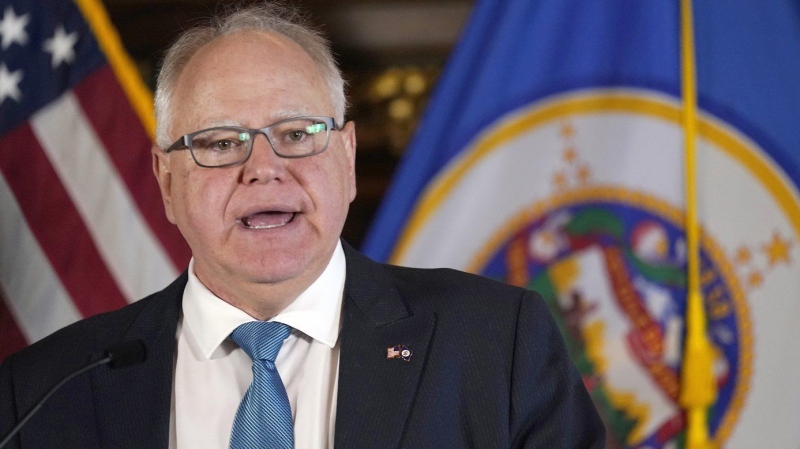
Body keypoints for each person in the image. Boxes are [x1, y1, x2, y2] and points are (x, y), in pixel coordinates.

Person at [0, 3, 605, 448]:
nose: (263, 170)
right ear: (164, 179)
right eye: (220, 142)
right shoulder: (45, 391)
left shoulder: (495, 345)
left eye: (296, 135)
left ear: (345, 157)